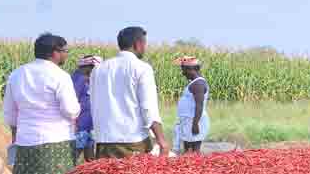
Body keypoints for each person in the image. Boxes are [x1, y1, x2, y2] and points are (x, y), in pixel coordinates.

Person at [1, 33, 79, 174]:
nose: (65, 55)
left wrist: (18, 132)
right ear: (54, 53)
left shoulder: (17, 74)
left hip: (26, 140)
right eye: (64, 51)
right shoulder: (60, 76)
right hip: (56, 140)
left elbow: (9, 113)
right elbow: (71, 110)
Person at [90, 26, 170, 159]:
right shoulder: (142, 68)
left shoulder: (98, 69)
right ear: (138, 44)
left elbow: (94, 103)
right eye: (144, 43)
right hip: (132, 140)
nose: (145, 48)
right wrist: (162, 141)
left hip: (104, 140)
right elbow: (148, 109)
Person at [173, 56, 210, 154]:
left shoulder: (198, 84)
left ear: (191, 69)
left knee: (194, 152)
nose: (183, 73)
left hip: (194, 122)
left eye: (184, 70)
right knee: (187, 151)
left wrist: (195, 124)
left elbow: (199, 105)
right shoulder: (194, 83)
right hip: (189, 122)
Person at [71, 54, 101, 162]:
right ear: (86, 67)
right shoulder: (78, 79)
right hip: (80, 126)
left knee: (90, 157)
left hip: (89, 125)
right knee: (75, 156)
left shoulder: (90, 80)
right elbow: (72, 102)